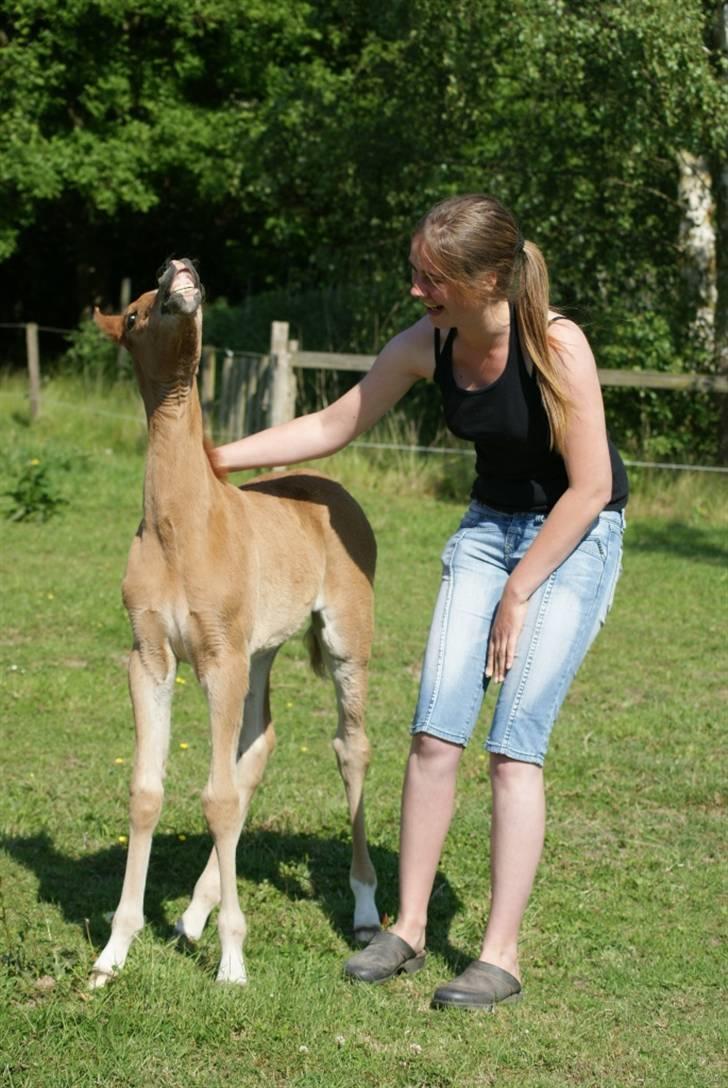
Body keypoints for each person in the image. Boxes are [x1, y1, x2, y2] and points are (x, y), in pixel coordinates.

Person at [214, 193, 628, 1011]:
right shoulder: (428, 342)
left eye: (433, 279)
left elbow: (590, 488)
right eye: (415, 272)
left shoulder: (556, 345)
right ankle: (405, 928)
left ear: (489, 281)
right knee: (435, 732)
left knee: (513, 746)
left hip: (574, 535)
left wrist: (518, 591)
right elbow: (333, 424)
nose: (416, 290)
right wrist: (209, 460)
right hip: (487, 529)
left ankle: (499, 956)